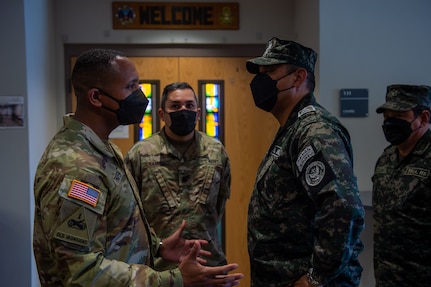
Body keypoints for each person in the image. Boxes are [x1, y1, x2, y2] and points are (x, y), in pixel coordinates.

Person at [32, 48, 244, 287]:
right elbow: (80, 272)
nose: (140, 95)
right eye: (131, 86)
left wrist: (158, 246)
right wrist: (172, 279)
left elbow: (115, 228)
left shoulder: (103, 150)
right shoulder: (77, 166)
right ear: (96, 97)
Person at [245, 37, 365, 286]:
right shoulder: (293, 129)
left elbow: (342, 206)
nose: (260, 80)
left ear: (298, 77)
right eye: (260, 73)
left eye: (269, 72)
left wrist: (316, 277)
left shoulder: (314, 130)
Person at [125, 81, 231, 271]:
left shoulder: (216, 152)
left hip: (208, 263)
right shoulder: (140, 154)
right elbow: (129, 215)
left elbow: (220, 204)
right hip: (156, 270)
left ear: (198, 113)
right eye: (175, 106)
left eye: (189, 105)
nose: (183, 110)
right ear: (161, 114)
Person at [372, 84, 431, 286]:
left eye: (398, 117)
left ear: (423, 118)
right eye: (387, 117)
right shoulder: (387, 157)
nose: (390, 123)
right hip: (387, 277)